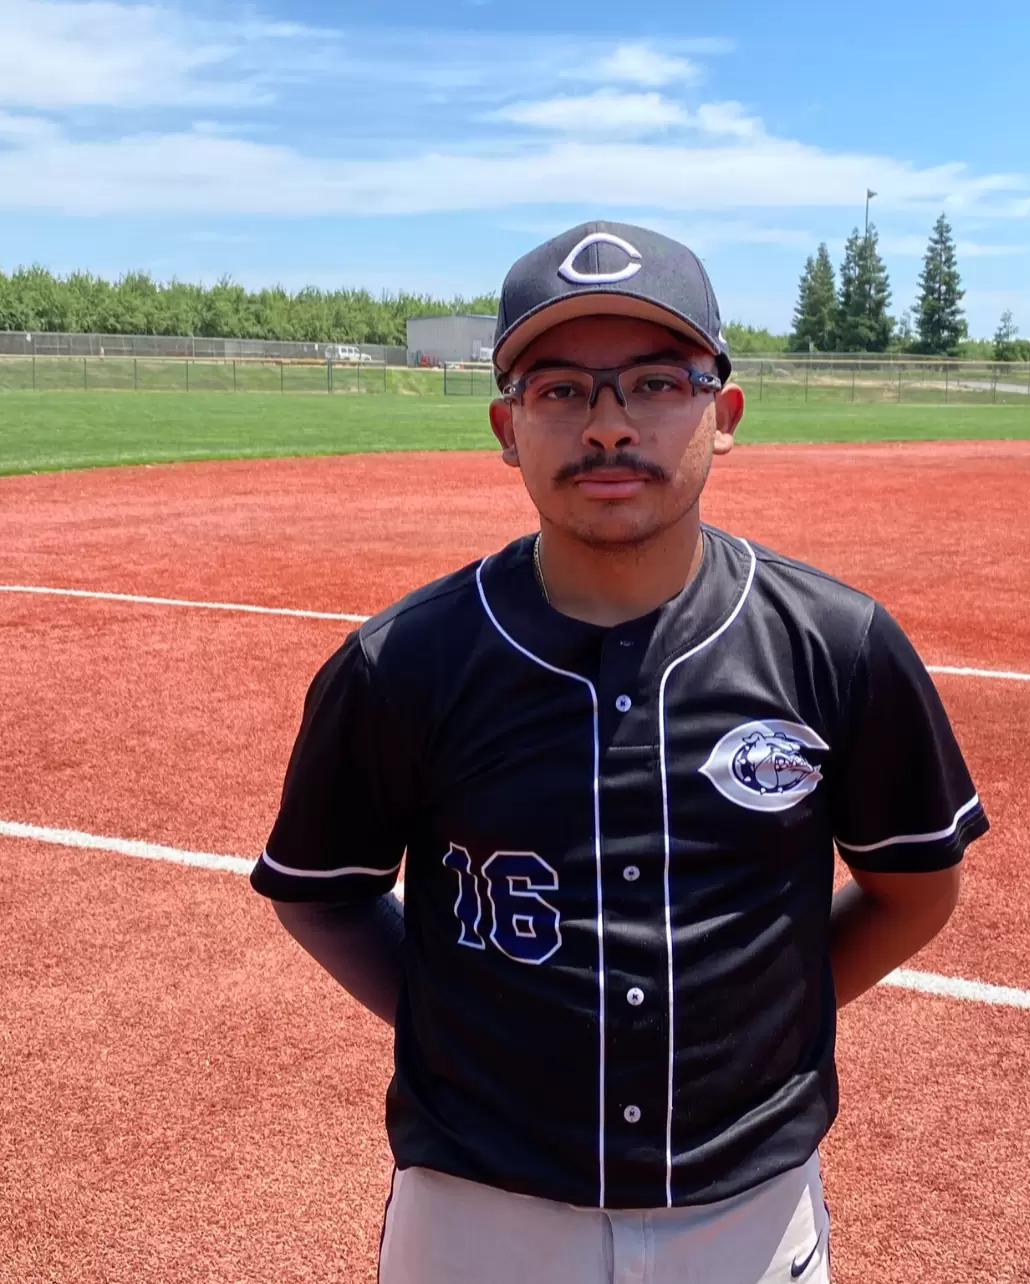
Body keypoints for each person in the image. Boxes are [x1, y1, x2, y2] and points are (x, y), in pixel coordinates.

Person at [251, 221, 989, 1284]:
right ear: (507, 429)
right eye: (560, 390)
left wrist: (758, 1024)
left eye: (655, 383)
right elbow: (323, 893)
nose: (608, 425)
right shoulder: (403, 662)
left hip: (748, 1206)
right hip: (477, 1206)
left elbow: (914, 890)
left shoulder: (838, 644)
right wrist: (459, 1029)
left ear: (722, 415)